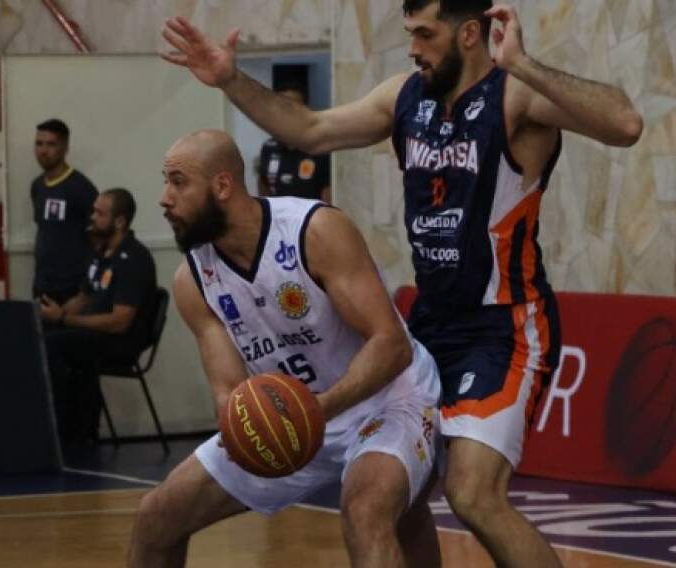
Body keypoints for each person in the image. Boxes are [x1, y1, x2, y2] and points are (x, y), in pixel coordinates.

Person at [160, 3, 643, 566]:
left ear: (469, 34)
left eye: (424, 34)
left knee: (472, 494)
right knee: (398, 491)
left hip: (502, 326)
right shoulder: (404, 97)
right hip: (430, 323)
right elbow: (311, 131)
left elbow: (626, 124)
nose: (413, 47)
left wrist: (526, 64)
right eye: (409, 33)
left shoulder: (514, 96)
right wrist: (230, 80)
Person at [128, 129, 442, 568]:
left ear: (222, 186)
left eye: (178, 182)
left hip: (387, 400)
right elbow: (229, 390)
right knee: (157, 517)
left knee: (366, 511)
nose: (164, 198)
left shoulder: (314, 231)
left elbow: (391, 346)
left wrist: (317, 410)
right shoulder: (193, 280)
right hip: (291, 415)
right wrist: (245, 424)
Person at [40, 188, 157, 445]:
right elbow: (83, 298)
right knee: (42, 335)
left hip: (121, 340)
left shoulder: (133, 258)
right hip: (95, 334)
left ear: (119, 221)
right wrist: (54, 315)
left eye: (99, 213)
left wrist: (64, 320)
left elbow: (119, 321)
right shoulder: (101, 254)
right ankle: (71, 429)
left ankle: (64, 433)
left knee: (54, 346)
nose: (92, 217)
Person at [31, 118, 98, 305]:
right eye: (39, 144)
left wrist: (85, 291)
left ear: (65, 148)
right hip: (42, 287)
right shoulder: (37, 186)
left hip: (72, 289)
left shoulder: (81, 188)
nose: (43, 151)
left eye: (51, 144)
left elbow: (99, 240)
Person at [257, 84, 331, 203]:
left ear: (304, 109)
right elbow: (263, 186)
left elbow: (327, 194)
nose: (288, 113)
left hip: (311, 218)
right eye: (283, 106)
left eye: (293, 106)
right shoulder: (269, 148)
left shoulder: (319, 149)